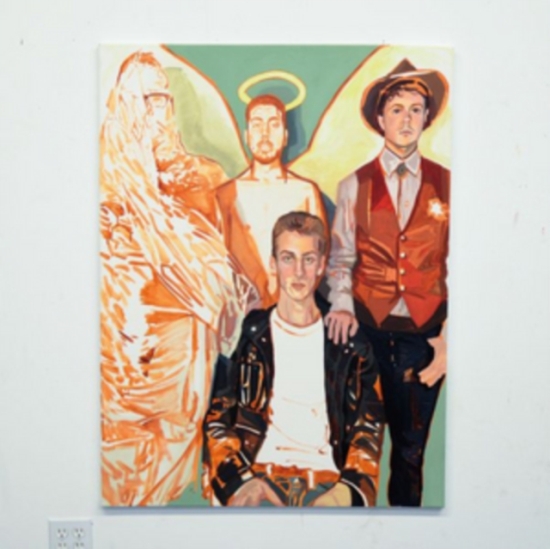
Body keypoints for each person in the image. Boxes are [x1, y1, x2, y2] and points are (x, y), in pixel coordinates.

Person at [100, 51, 253, 506]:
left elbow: (229, 257)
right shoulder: (108, 183)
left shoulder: (202, 176)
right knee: (124, 446)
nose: (157, 110)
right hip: (132, 345)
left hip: (192, 340)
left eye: (162, 97)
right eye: (144, 98)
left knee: (182, 431)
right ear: (124, 104)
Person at [325, 59, 450, 506]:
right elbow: (340, 258)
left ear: (427, 117)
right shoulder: (353, 185)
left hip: (423, 336)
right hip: (367, 332)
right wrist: (342, 304)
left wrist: (451, 334)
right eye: (396, 109)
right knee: (354, 448)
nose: (406, 119)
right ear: (380, 119)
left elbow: (460, 264)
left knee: (411, 453)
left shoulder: (449, 184)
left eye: (415, 110)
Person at [203, 212, 384, 507]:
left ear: (322, 265)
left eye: (308, 259)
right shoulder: (252, 334)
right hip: (259, 480)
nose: (298, 272)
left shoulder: (349, 345)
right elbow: (217, 421)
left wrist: (344, 493)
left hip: (327, 486)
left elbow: (368, 432)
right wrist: (240, 483)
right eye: (288, 258)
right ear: (273, 264)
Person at [216, 94, 327, 310]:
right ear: (247, 135)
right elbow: (217, 259)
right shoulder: (226, 195)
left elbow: (319, 254)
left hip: (295, 308)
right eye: (257, 125)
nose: (265, 133)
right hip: (242, 311)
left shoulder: (305, 192)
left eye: (273, 124)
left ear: (285, 136)